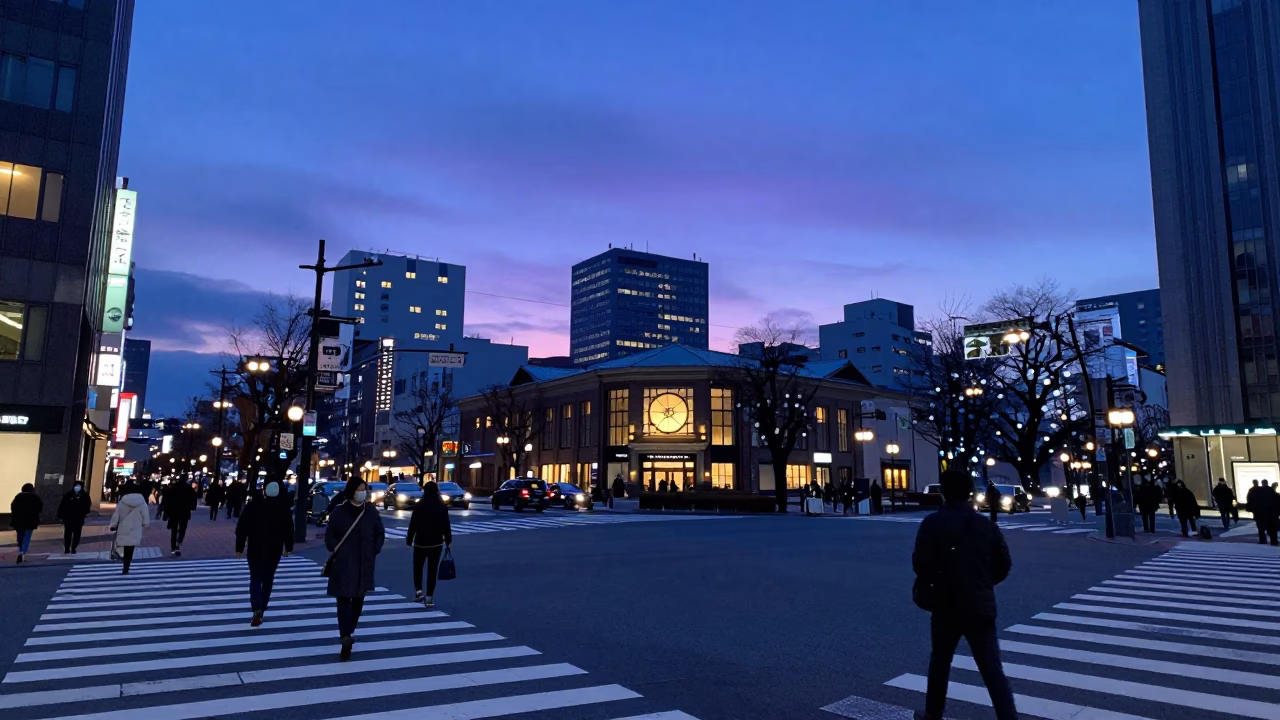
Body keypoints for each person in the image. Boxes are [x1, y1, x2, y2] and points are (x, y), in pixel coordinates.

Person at [912, 470, 1017, 720]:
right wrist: (983, 582)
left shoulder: (931, 524)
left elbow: (920, 564)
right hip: (979, 603)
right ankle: (1008, 716)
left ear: (944, 492)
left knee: (940, 662)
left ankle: (933, 715)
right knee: (992, 668)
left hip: (945, 603)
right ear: (970, 492)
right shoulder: (985, 525)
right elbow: (1004, 564)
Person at [325, 479, 385, 660]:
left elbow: (379, 533)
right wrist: (337, 549)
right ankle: (345, 635)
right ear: (351, 491)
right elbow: (330, 535)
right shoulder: (339, 512)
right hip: (343, 562)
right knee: (343, 599)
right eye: (360, 490)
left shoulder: (370, 511)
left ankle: (349, 631)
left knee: (358, 599)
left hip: (364, 562)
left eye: (364, 490)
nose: (363, 493)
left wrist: (375, 549)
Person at [236, 479, 295, 626]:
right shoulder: (283, 507)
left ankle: (256, 606)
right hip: (274, 548)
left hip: (255, 546)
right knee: (268, 579)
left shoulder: (253, 505)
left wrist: (239, 547)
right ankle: (262, 608)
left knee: (255, 578)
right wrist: (288, 547)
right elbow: (289, 529)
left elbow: (242, 527)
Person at [406, 480, 453, 607]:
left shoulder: (419, 505)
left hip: (420, 542)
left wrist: (409, 539)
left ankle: (419, 591)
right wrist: (448, 540)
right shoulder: (441, 505)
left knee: (418, 567)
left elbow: (413, 523)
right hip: (436, 543)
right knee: (432, 570)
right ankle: (430, 597)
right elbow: (446, 525)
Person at [109, 483, 151, 574]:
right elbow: (145, 514)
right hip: (136, 526)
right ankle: (127, 565)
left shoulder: (122, 501)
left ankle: (123, 560)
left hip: (123, 526)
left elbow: (117, 514)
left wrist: (113, 524)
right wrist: (146, 523)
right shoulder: (142, 501)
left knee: (122, 544)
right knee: (130, 546)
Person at [10, 484, 43, 564]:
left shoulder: (18, 497)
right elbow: (40, 508)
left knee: (20, 537)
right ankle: (23, 552)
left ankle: (20, 550)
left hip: (19, 520)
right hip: (30, 521)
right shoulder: (35, 497)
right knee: (27, 537)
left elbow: (13, 507)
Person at [163, 480, 198, 556]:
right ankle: (179, 542)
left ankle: (173, 546)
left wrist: (166, 512)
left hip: (174, 511)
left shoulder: (173, 488)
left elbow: (167, 499)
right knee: (183, 528)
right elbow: (193, 498)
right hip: (184, 511)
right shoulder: (188, 488)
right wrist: (192, 507)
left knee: (174, 529)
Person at [57, 481, 91, 555]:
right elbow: (62, 505)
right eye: (76, 486)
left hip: (78, 518)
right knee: (67, 534)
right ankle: (66, 548)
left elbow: (87, 507)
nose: (77, 487)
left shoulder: (84, 496)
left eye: (79, 486)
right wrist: (61, 515)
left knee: (77, 534)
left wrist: (83, 512)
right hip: (68, 518)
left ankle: (73, 548)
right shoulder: (68, 495)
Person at [1258, 480, 1279, 546]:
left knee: (1266, 527)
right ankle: (1273, 540)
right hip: (1273, 513)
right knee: (1273, 528)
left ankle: (1265, 539)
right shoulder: (1273, 493)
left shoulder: (1260, 491)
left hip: (1265, 512)